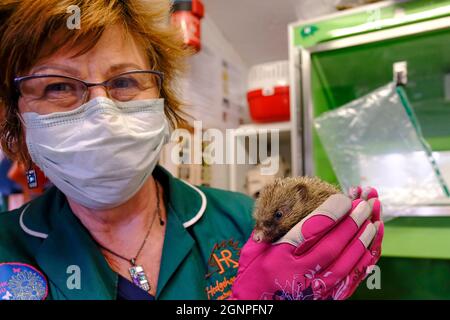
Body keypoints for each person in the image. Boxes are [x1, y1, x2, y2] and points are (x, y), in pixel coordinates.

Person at [0, 0, 383, 300]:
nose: (103, 113)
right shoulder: (8, 246)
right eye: (58, 86)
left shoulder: (241, 220)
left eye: (125, 81)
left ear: (162, 103)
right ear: (15, 117)